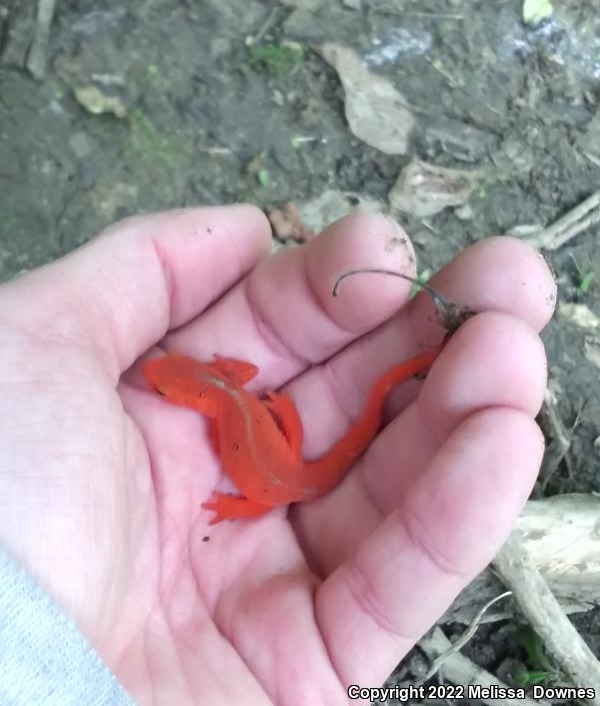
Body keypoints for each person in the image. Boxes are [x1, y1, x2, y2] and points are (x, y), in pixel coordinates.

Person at [0, 205, 554, 705]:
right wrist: (256, 411)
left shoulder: (217, 404)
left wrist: (231, 504)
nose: (163, 390)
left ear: (193, 393)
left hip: (284, 482)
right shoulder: (222, 389)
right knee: (294, 440)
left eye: (170, 391)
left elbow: (245, 446)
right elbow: (236, 382)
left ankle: (415, 368)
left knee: (272, 475)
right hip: (284, 467)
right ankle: (399, 374)